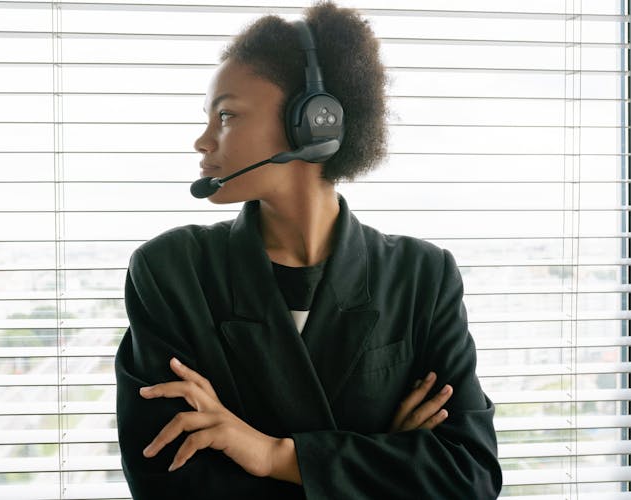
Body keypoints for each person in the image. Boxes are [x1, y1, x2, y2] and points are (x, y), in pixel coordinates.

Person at [115, 2, 502, 498]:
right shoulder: (171, 273)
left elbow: (469, 476)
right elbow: (167, 482)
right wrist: (384, 456)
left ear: (314, 123)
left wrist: (271, 455)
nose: (203, 141)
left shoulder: (423, 276)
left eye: (227, 115)